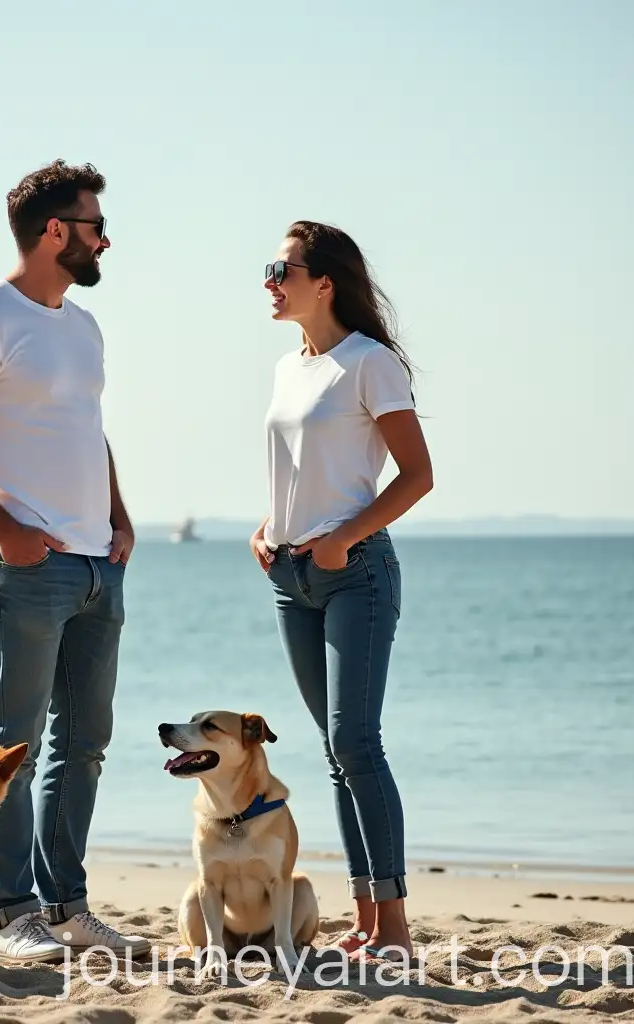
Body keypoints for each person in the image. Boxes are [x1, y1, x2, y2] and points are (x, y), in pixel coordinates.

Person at [0, 159, 149, 965]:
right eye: (94, 227)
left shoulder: (82, 326)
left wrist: (118, 514)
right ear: (56, 232)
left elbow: (88, 427)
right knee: (10, 741)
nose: (104, 241)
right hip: (20, 568)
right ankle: (12, 912)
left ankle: (67, 906)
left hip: (95, 566)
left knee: (83, 744)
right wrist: (5, 529)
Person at [250, 221, 434, 964]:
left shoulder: (371, 363)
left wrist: (342, 537)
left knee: (358, 741)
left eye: (280, 268)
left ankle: (395, 931)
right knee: (335, 750)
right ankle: (365, 919)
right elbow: (297, 469)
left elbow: (417, 476)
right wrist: (267, 528)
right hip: (291, 577)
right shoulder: (288, 367)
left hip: (354, 573)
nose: (269, 281)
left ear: (323, 281)